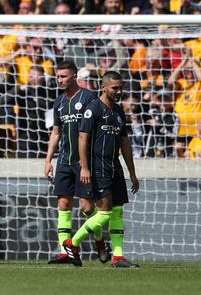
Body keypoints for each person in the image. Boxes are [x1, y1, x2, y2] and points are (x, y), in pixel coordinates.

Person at [63, 71, 140, 268]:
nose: (119, 91)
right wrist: (84, 167)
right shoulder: (93, 108)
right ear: (103, 87)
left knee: (117, 212)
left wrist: (132, 173)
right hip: (98, 168)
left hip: (115, 167)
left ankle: (118, 256)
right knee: (104, 213)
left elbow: (125, 143)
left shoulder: (119, 111)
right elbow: (82, 138)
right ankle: (72, 243)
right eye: (115, 88)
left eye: (121, 88)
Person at [44, 60, 106, 265]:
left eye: (63, 76)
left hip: (84, 161)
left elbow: (97, 129)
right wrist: (48, 161)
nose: (59, 80)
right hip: (64, 160)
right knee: (63, 204)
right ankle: (65, 251)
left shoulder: (89, 98)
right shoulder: (59, 102)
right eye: (57, 76)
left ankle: (100, 241)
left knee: (87, 208)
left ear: (74, 76)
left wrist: (92, 162)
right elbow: (56, 133)